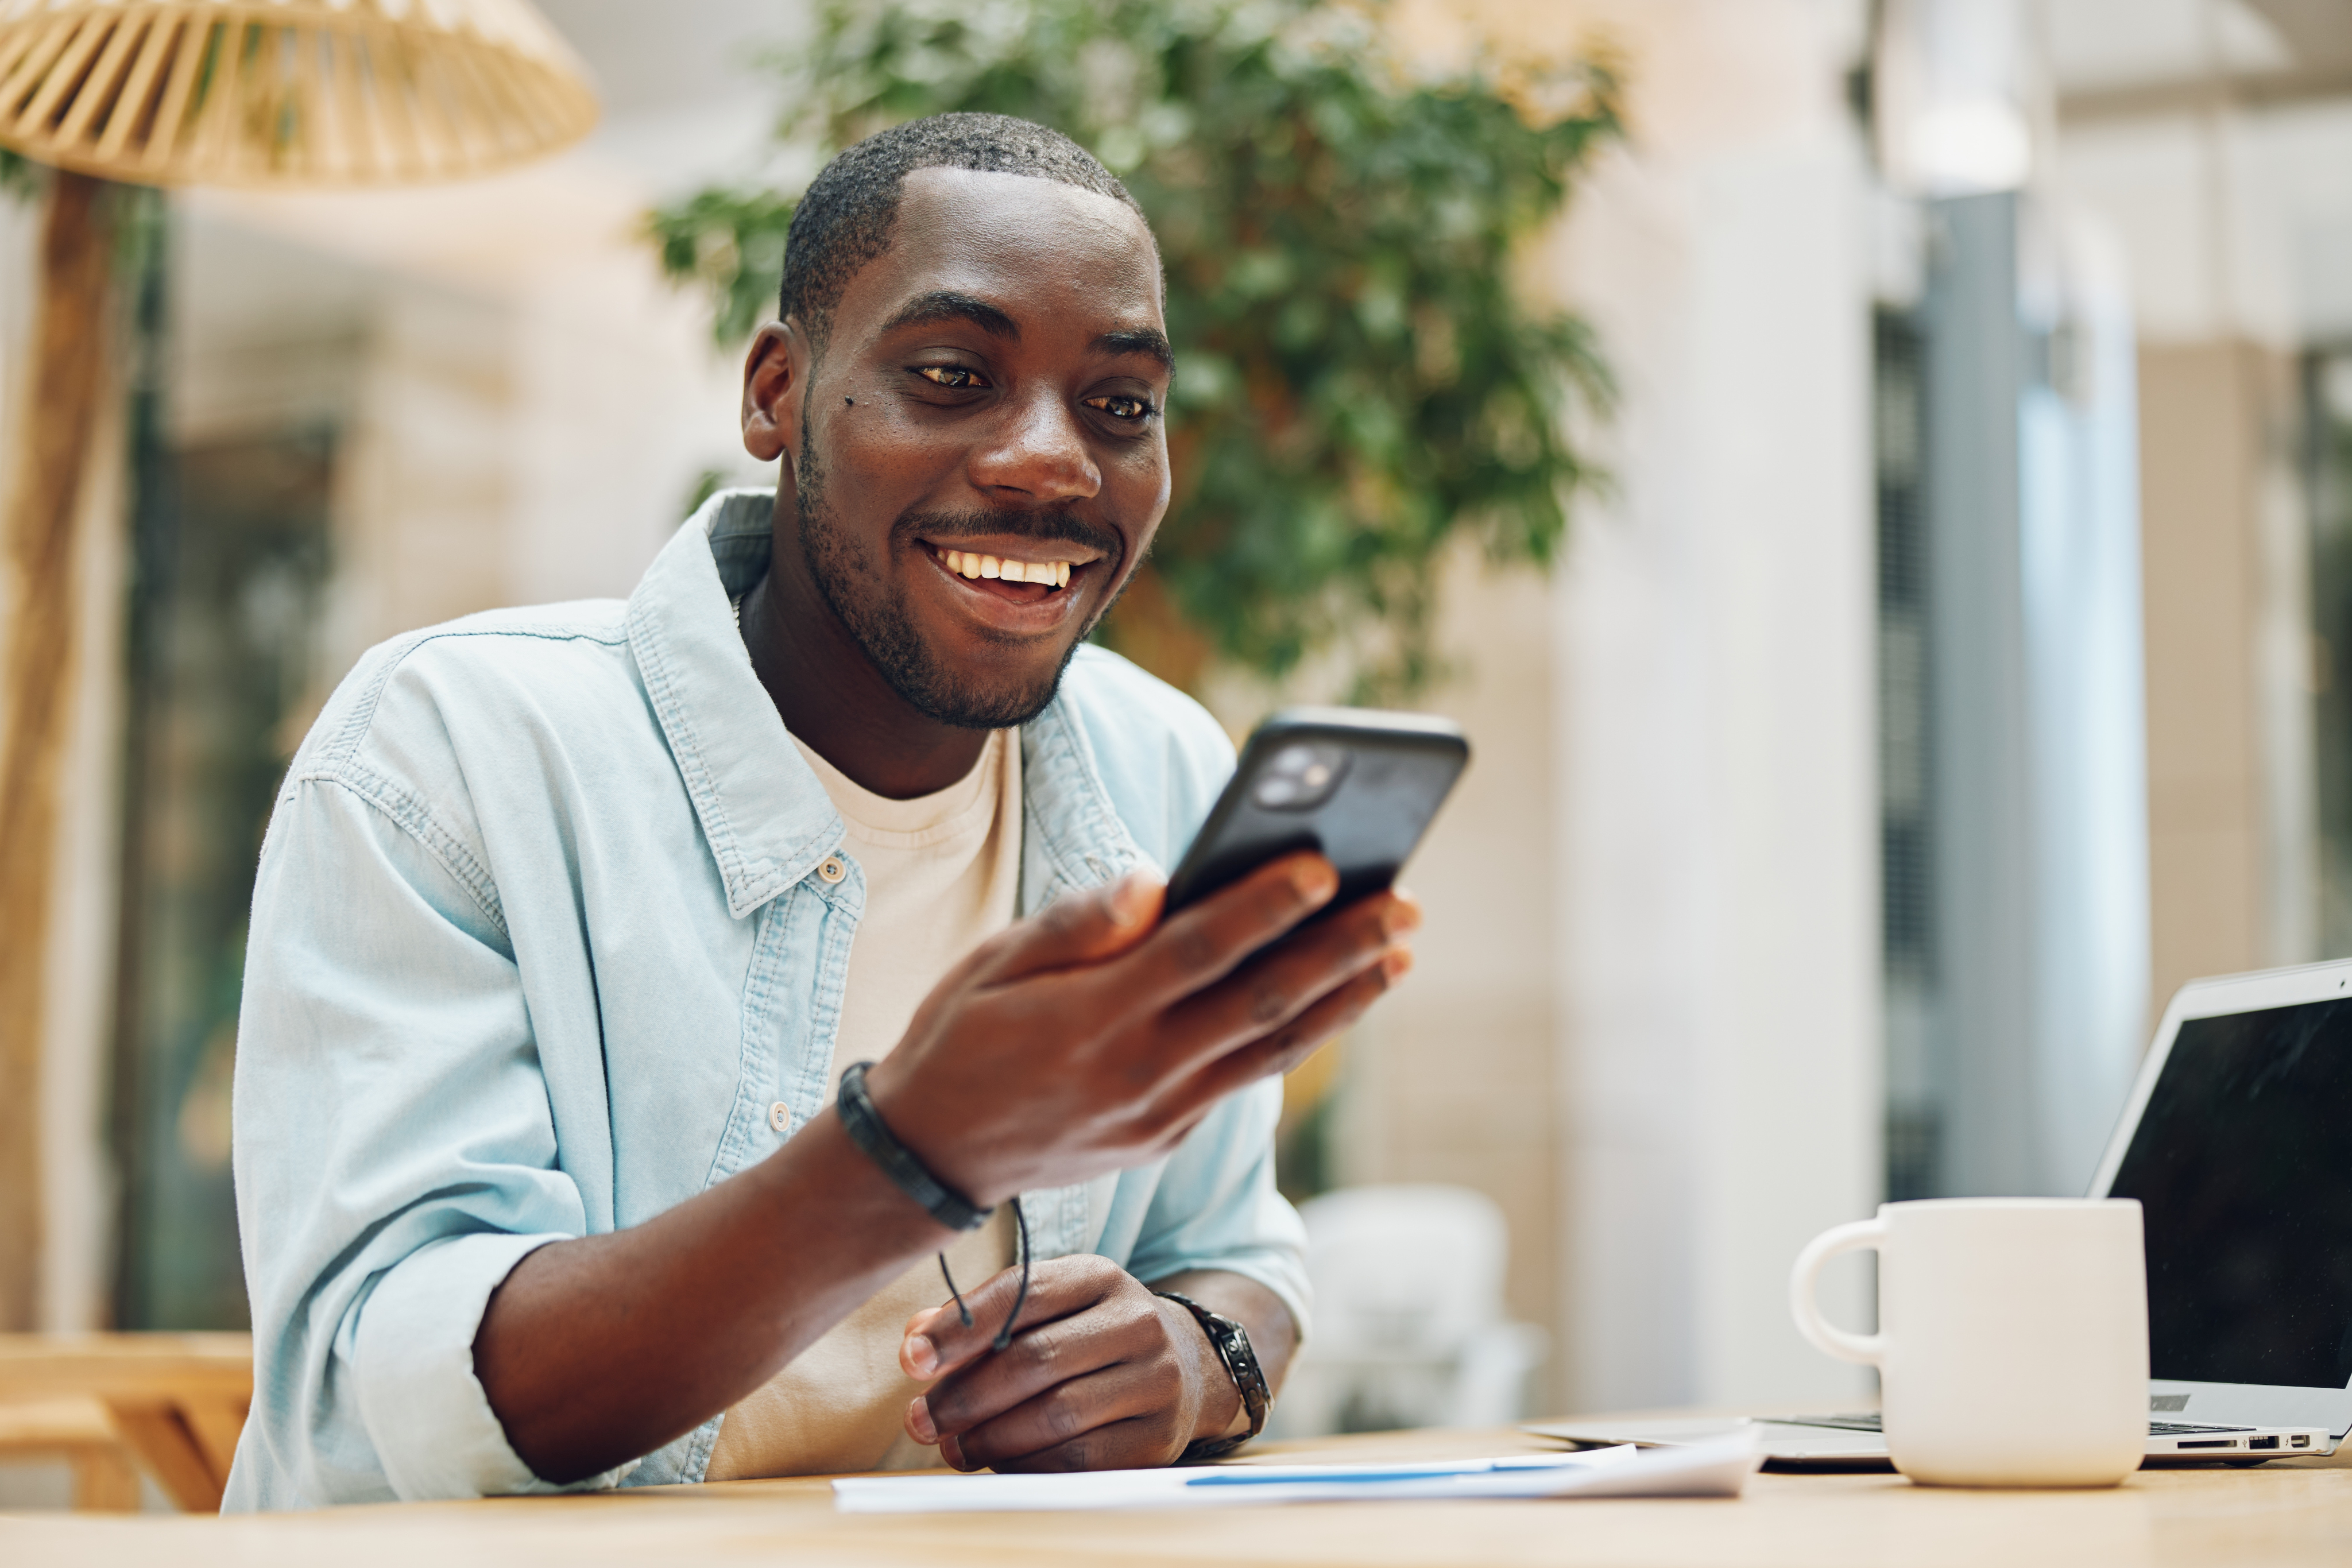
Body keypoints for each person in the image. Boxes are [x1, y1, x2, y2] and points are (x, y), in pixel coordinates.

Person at [225, 113, 1419, 1508]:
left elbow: (1239, 1255)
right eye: (951, 376)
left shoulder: (1160, 763)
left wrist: (1194, 1359)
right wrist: (913, 1149)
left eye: (1119, 406)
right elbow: (419, 1401)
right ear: (776, 395)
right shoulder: (454, 750)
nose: (1052, 462)